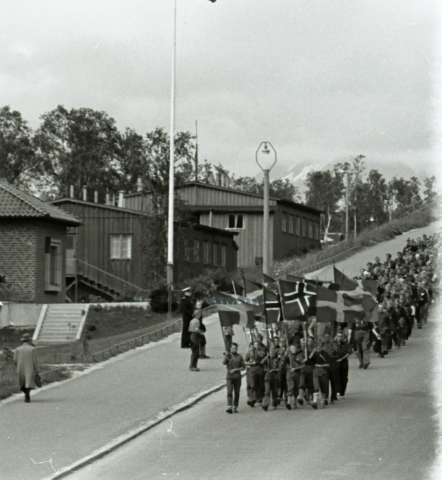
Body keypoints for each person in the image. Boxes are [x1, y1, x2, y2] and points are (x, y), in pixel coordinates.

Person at [13, 333, 39, 403]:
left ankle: (26, 394)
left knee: (22, 382)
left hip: (20, 368)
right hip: (30, 368)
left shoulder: (17, 349)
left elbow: (15, 360)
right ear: (29, 341)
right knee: (28, 382)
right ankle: (27, 395)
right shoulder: (32, 349)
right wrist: (36, 370)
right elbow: (35, 361)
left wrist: (17, 365)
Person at [223, 342, 245, 413]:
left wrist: (236, 369)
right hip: (229, 377)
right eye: (232, 348)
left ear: (237, 349)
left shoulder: (240, 356)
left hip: (237, 377)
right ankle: (229, 406)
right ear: (230, 348)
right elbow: (223, 363)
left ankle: (235, 406)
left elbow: (243, 367)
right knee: (229, 391)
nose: (233, 349)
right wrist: (226, 356)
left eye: (235, 348)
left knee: (237, 392)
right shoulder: (228, 356)